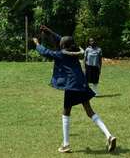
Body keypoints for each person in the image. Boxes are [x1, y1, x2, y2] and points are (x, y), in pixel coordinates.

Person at [34, 25, 116, 153]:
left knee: (66, 112)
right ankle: (109, 135)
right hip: (82, 83)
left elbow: (46, 52)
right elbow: (62, 40)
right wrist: (49, 31)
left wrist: (37, 44)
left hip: (72, 86)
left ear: (64, 46)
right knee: (89, 111)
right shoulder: (74, 50)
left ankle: (66, 144)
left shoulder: (61, 54)